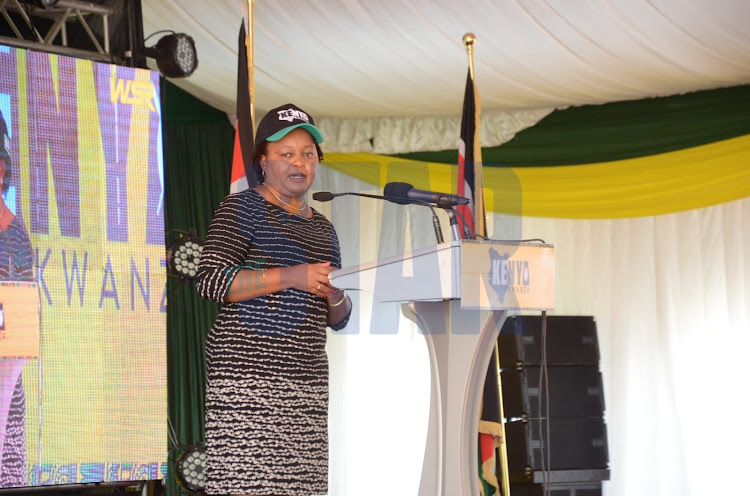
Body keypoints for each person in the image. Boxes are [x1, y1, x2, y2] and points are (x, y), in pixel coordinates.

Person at [196, 103, 352, 496]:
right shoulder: (241, 209)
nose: (299, 162)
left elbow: (339, 319)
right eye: (286, 153)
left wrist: (337, 295)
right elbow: (211, 281)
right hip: (248, 384)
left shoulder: (324, 229)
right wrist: (291, 277)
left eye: (307, 153)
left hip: (306, 385)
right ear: (263, 161)